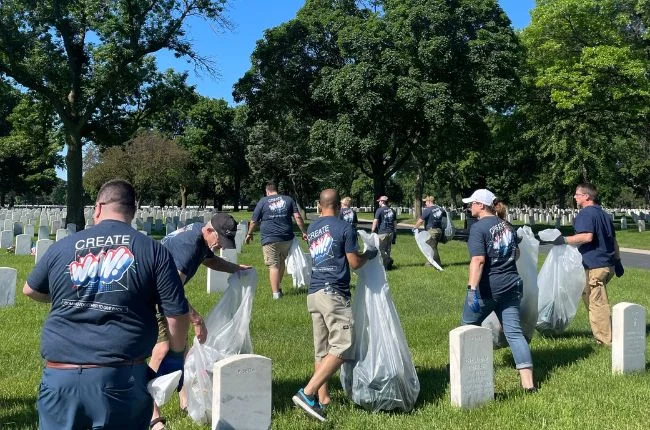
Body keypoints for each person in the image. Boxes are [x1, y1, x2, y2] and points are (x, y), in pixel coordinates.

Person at [23, 179, 190, 429]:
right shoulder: (153, 251)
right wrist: (176, 355)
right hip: (119, 378)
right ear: (132, 211)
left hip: (59, 375)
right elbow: (176, 314)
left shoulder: (63, 246)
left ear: (98, 208)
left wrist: (67, 295)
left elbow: (30, 290)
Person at [149, 213, 250, 429]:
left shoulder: (199, 234)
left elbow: (210, 260)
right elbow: (170, 291)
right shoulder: (189, 246)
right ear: (209, 230)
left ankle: (185, 401)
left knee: (183, 349)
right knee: (163, 349)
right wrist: (195, 319)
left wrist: (235, 268)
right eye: (219, 240)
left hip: (159, 294)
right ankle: (146, 408)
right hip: (150, 296)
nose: (219, 245)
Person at [292, 189, 376, 422]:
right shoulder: (344, 228)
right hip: (333, 294)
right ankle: (307, 393)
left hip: (314, 293)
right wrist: (368, 254)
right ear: (339, 206)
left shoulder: (312, 228)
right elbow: (354, 263)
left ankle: (323, 398)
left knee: (322, 349)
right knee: (344, 345)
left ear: (320, 206)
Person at [460, 188, 536, 392]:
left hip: (489, 288)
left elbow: (478, 260)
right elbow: (517, 253)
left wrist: (471, 289)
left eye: (472, 203)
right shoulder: (507, 225)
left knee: (467, 326)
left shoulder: (478, 228)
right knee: (514, 334)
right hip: (512, 285)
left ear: (481, 205)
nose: (470, 207)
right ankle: (529, 385)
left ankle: (461, 369)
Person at [551, 183, 623, 345]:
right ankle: (605, 332)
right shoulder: (603, 214)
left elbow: (586, 237)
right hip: (606, 264)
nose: (575, 197)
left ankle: (605, 340)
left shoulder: (586, 214)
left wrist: (563, 240)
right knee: (592, 300)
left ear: (587, 197)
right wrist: (617, 261)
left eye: (577, 194)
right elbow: (614, 240)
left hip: (595, 266)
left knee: (597, 304)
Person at [246, 182, 308, 299]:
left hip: (270, 238)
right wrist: (304, 232)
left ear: (267, 191)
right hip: (286, 238)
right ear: (276, 190)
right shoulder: (288, 199)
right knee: (281, 262)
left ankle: (276, 295)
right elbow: (297, 217)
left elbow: (254, 220)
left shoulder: (263, 201)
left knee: (273, 266)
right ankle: (278, 288)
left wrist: (249, 233)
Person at [413, 196, 447, 267]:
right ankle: (429, 263)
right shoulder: (441, 209)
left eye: (426, 201)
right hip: (439, 230)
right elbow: (444, 220)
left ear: (429, 201)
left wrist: (415, 227)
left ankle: (437, 264)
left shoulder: (428, 210)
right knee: (432, 246)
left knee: (432, 247)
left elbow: (420, 221)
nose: (425, 203)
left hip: (432, 231)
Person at [371, 195, 396, 269]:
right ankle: (387, 266)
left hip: (382, 232)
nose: (379, 202)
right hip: (391, 232)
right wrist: (395, 232)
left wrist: (372, 231)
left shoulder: (379, 210)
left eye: (379, 201)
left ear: (382, 201)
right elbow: (395, 222)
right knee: (388, 249)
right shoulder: (392, 210)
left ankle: (388, 260)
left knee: (380, 249)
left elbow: (375, 221)